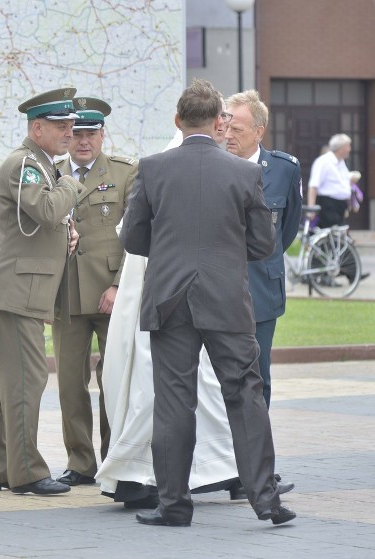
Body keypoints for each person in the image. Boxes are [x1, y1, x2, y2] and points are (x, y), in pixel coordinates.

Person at [120, 78, 295, 527]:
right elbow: (262, 244)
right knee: (246, 396)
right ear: (218, 122)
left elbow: (134, 238)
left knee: (174, 403)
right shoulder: (244, 172)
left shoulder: (153, 168)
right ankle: (266, 501)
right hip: (227, 301)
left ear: (178, 121)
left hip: (169, 301)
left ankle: (175, 505)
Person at [0, 88, 89, 496]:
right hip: (17, 291)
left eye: (71, 126)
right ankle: (26, 472)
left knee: (2, 387)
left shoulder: (41, 164)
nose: (69, 133)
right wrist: (74, 186)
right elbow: (45, 210)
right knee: (26, 381)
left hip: (18, 289)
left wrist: (66, 236)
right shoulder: (26, 164)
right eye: (61, 127)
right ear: (36, 128)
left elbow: (44, 223)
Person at [52, 96, 137, 487]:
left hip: (108, 294)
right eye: (76, 134)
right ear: (67, 136)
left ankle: (112, 458)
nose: (83, 141)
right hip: (66, 294)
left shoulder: (124, 174)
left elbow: (134, 236)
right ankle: (80, 462)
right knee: (70, 382)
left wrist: (119, 284)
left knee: (112, 381)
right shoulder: (50, 173)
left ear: (103, 135)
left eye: (91, 133)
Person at [225, 90, 302, 409]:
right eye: (225, 126)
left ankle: (254, 449)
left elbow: (287, 229)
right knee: (219, 375)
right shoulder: (212, 164)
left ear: (259, 131)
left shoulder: (285, 170)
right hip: (217, 288)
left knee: (258, 373)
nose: (228, 135)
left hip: (261, 289)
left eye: (237, 129)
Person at [307, 133, 352, 228]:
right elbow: (313, 186)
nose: (350, 149)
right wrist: (311, 209)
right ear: (341, 147)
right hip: (328, 205)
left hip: (340, 205)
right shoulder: (323, 162)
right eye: (348, 146)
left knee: (339, 236)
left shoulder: (341, 162)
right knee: (330, 236)